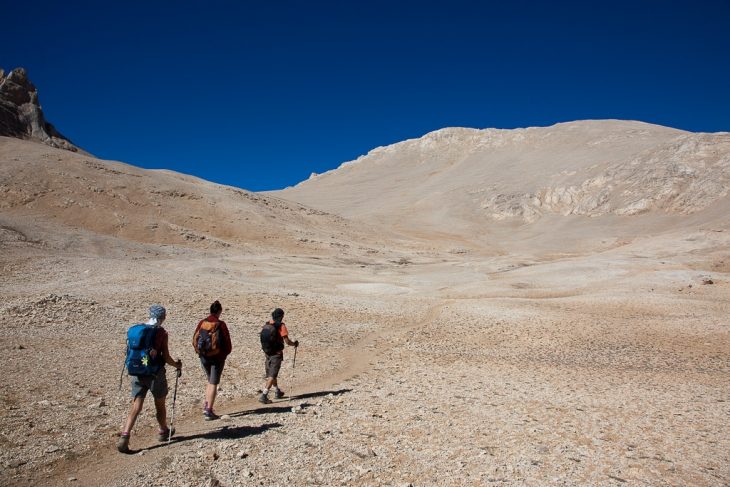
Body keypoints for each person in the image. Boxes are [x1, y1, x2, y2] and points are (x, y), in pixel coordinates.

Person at [117, 305, 182, 453]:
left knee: (136, 406)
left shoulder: (136, 330)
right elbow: (165, 357)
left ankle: (125, 436)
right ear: (163, 317)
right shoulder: (161, 333)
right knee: (159, 403)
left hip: (137, 372)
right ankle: (163, 430)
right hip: (155, 374)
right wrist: (177, 365)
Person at [192, 300, 232, 420]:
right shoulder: (220, 324)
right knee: (214, 382)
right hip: (217, 357)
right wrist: (224, 354)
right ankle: (209, 409)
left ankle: (206, 404)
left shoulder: (202, 322)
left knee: (210, 380)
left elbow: (195, 337)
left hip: (204, 356)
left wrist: (200, 352)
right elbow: (227, 342)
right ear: (219, 311)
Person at [259, 308, 298, 404]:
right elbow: (287, 341)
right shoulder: (281, 326)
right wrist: (295, 344)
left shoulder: (267, 324)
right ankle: (264, 395)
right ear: (281, 316)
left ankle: (277, 391)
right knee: (272, 375)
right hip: (276, 354)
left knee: (272, 373)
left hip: (267, 353)